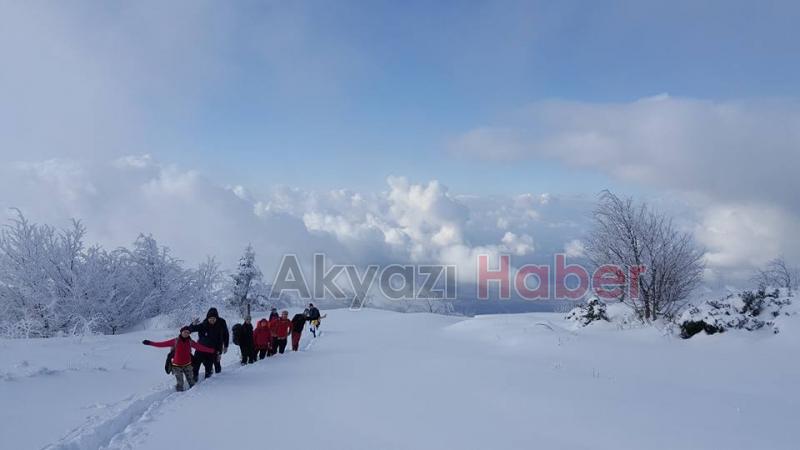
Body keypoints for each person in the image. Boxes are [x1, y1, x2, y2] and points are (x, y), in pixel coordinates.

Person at [142, 326, 215, 391]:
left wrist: (212, 350)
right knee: (180, 383)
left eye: (188, 332)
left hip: (188, 365)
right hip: (176, 366)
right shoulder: (175, 341)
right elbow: (161, 344)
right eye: (185, 332)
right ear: (181, 332)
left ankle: (193, 396)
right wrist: (150, 343)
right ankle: (178, 398)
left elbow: (200, 347)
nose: (186, 333)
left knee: (191, 382)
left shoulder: (190, 342)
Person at [188, 307, 229, 380]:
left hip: (214, 348)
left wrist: (226, 345)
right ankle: (194, 377)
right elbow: (190, 330)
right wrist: (192, 324)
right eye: (210, 318)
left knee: (212, 365)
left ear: (217, 318)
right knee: (196, 364)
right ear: (207, 318)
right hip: (200, 348)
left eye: (214, 318)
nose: (212, 320)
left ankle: (212, 379)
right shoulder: (203, 325)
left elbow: (226, 334)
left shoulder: (221, 324)